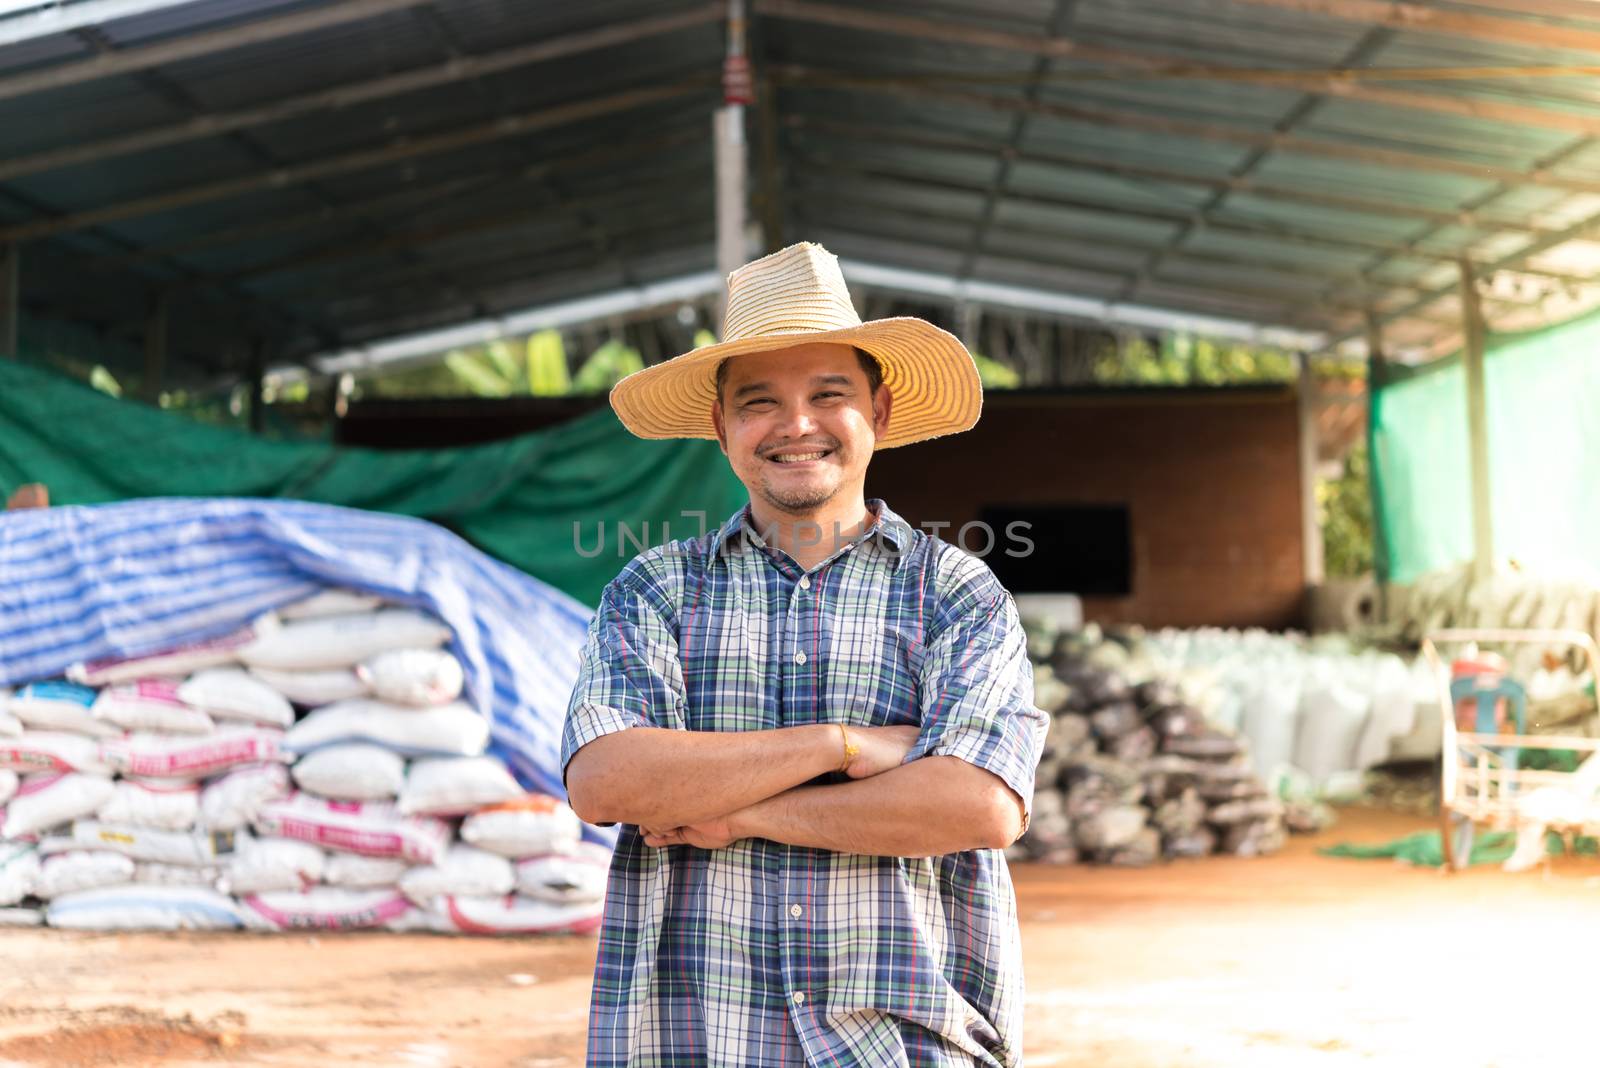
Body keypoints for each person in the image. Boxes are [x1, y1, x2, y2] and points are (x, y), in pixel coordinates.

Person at [562, 242, 1047, 1067]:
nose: (796, 426)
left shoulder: (957, 594)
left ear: (880, 416)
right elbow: (608, 781)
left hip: (903, 1043)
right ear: (721, 427)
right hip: (696, 1039)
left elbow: (978, 807)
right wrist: (844, 745)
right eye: (759, 403)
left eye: (830, 395)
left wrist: (738, 813)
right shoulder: (655, 592)